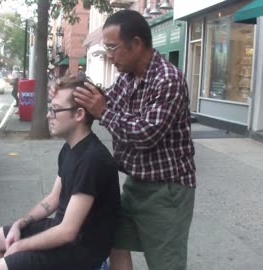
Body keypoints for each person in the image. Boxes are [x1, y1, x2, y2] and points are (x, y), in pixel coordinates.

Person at [71, 10, 196, 270]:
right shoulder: (128, 77)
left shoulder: (167, 79)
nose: (109, 55)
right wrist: (72, 90)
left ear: (136, 44)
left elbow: (144, 134)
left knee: (165, 262)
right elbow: (105, 100)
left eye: (113, 47)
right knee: (115, 243)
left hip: (167, 190)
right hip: (135, 183)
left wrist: (103, 111)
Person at [0, 77, 121, 270]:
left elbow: (68, 231)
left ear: (79, 114)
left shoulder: (93, 159)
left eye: (55, 110)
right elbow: (53, 199)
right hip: (61, 231)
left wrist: (20, 246)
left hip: (81, 251)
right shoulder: (69, 149)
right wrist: (20, 223)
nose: (48, 116)